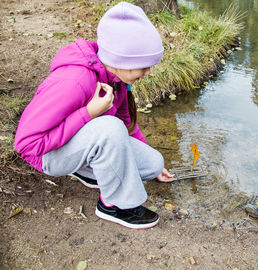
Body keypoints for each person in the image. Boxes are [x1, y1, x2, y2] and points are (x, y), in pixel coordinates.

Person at [14, 2, 176, 229]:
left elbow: (126, 125)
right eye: (144, 65)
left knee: (152, 163)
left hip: (78, 143)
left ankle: (90, 170)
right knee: (109, 127)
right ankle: (113, 205)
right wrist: (88, 113)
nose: (148, 72)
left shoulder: (117, 79)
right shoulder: (74, 82)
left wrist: (152, 161)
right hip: (47, 156)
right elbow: (27, 145)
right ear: (123, 60)